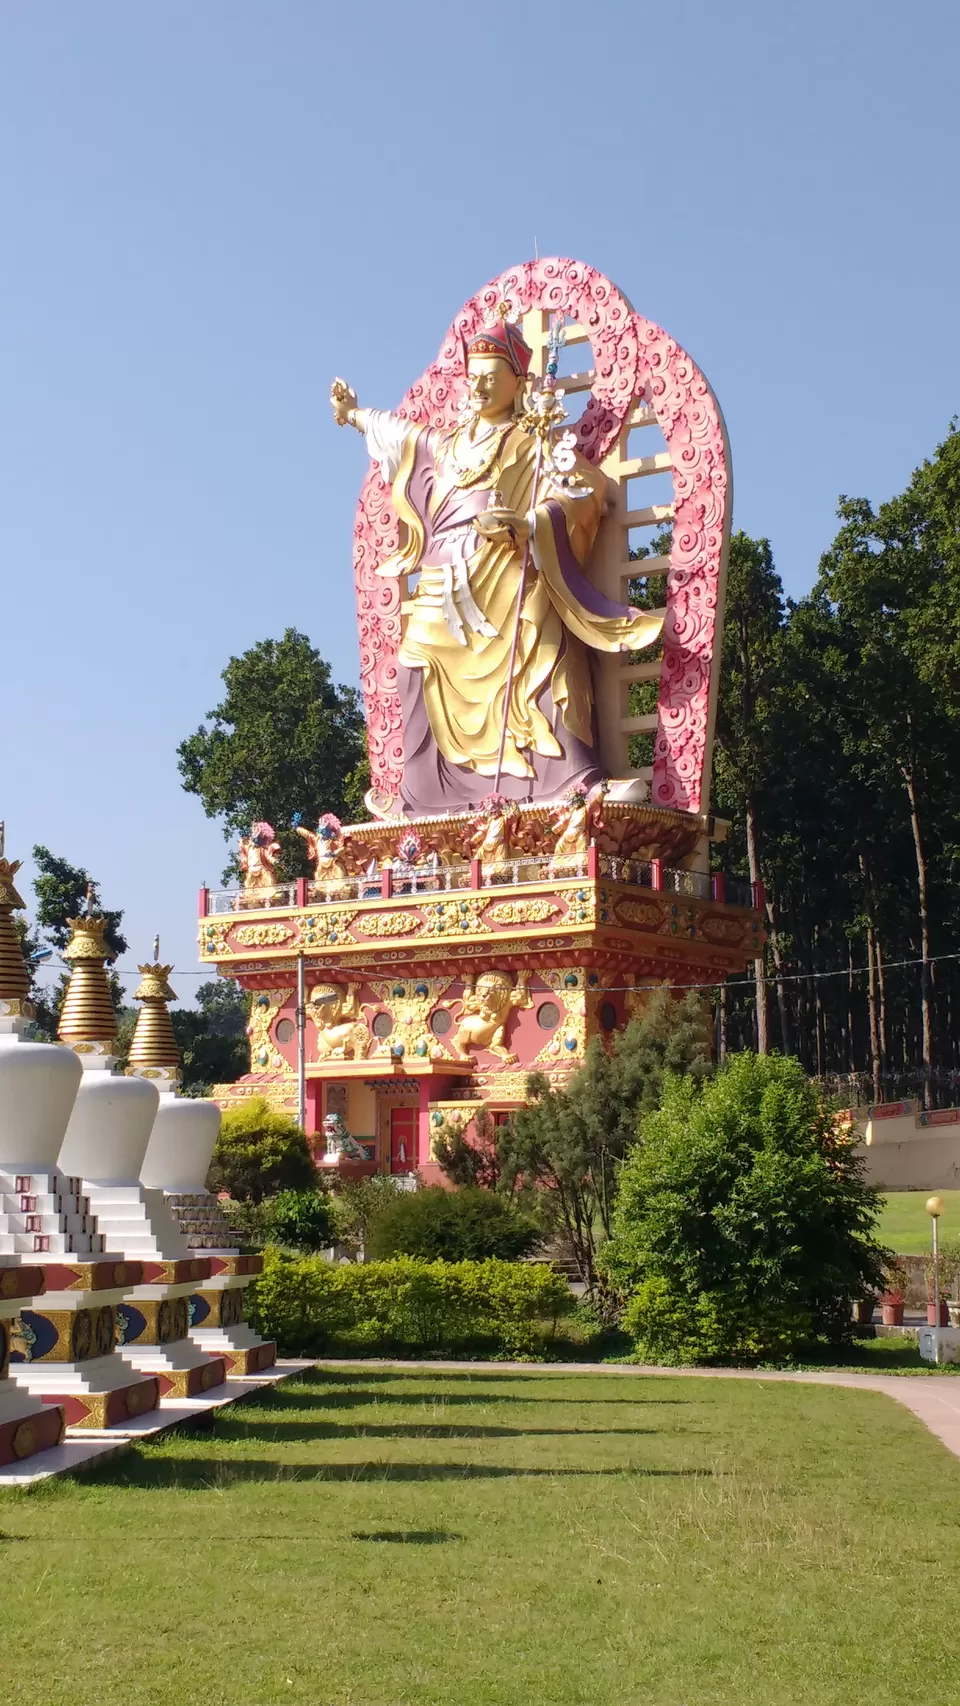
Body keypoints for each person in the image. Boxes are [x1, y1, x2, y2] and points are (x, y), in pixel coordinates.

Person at [332, 314, 661, 816]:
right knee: (411, 666)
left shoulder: (534, 441)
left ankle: (577, 781)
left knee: (541, 639)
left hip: (508, 571)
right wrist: (354, 414)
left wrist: (531, 523)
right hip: (445, 577)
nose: (481, 386)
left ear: (519, 381)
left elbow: (586, 492)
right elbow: (398, 434)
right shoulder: (447, 444)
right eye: (475, 376)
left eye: (492, 376)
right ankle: (418, 797)